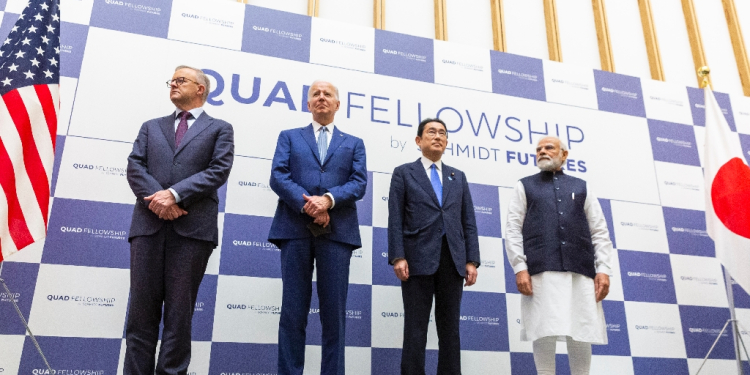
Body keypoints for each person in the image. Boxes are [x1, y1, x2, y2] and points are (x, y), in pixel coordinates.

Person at [125, 65, 234, 375]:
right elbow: (135, 168)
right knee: (140, 318)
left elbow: (218, 171)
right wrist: (160, 201)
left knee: (178, 319)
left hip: (192, 232)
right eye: (171, 81)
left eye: (180, 80)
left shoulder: (220, 128)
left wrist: (173, 195)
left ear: (200, 88)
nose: (172, 84)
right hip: (147, 228)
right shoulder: (151, 126)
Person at [268, 80, 367, 375]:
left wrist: (328, 201)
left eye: (328, 94)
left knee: (334, 316)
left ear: (338, 104)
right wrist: (310, 206)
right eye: (315, 94)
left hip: (337, 234)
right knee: (292, 313)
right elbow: (278, 176)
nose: (321, 98)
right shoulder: (289, 137)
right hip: (295, 229)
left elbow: (359, 183)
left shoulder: (354, 143)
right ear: (308, 104)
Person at [505, 136, 613, 375]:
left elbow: (599, 231)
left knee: (581, 330)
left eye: (549, 148)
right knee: (543, 330)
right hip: (540, 271)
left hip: (581, 271)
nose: (542, 151)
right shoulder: (524, 185)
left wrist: (604, 269)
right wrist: (519, 267)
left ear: (564, 155)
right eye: (539, 149)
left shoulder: (582, 186)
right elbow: (512, 229)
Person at [387, 118, 481, 375]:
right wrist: (397, 256)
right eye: (431, 132)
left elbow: (468, 222)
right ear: (419, 141)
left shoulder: (457, 176)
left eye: (442, 133)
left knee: (450, 329)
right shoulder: (404, 172)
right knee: (415, 329)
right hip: (416, 260)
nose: (438, 136)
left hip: (453, 261)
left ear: (447, 141)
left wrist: (472, 260)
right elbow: (395, 218)